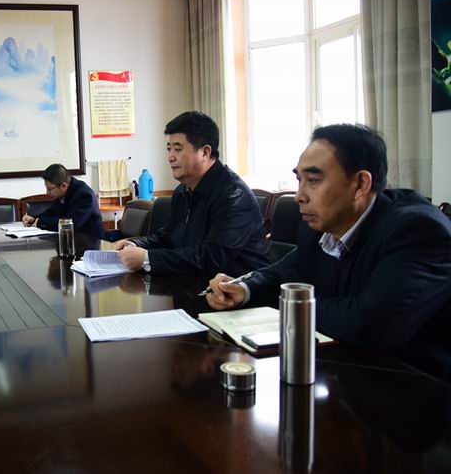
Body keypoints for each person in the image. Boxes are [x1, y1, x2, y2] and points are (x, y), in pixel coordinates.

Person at [205, 124, 451, 379]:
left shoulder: (417, 230)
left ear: (360, 184)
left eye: (313, 181)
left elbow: (368, 325)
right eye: (299, 180)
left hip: (413, 383)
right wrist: (243, 288)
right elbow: (286, 272)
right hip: (343, 369)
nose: (299, 196)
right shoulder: (317, 226)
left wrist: (292, 304)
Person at [115, 111, 269, 276]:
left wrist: (147, 259)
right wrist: (137, 245)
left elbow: (212, 258)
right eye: (169, 149)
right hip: (193, 283)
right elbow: (168, 238)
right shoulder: (183, 190)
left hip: (235, 288)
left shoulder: (233, 196)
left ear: (205, 153)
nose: (170, 157)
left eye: (178, 149)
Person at [22, 163, 104, 239]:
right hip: (69, 239)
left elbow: (70, 224)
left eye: (49, 189)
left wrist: (39, 222)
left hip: (89, 242)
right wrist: (34, 218)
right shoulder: (65, 191)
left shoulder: (85, 195)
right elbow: (52, 212)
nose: (47, 192)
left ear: (63, 185)